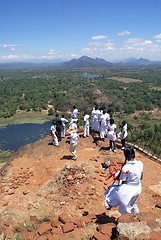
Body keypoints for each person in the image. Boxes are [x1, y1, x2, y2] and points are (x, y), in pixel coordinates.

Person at [104, 147, 143, 216]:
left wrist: (118, 175)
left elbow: (123, 182)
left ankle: (109, 206)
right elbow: (141, 177)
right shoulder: (140, 163)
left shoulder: (126, 167)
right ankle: (136, 215)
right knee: (132, 203)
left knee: (111, 190)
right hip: (138, 188)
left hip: (129, 189)